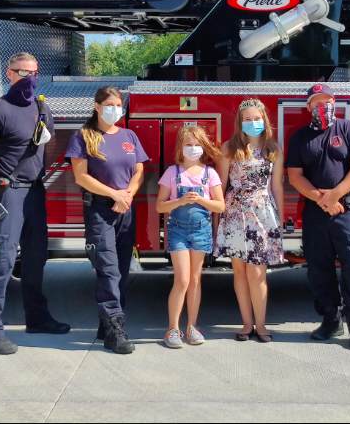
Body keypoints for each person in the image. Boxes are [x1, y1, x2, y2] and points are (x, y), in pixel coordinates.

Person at [0, 52, 71, 356]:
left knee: (35, 258)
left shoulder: (41, 108)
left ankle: (37, 319)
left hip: (35, 193)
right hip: (8, 195)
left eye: (33, 73)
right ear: (9, 73)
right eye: (22, 72)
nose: (29, 79)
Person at [286, 83, 350, 350]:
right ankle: (330, 320)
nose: (322, 106)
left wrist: (335, 195)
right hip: (315, 211)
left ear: (334, 102)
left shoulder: (349, 129)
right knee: (319, 268)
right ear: (308, 107)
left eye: (327, 100)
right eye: (316, 102)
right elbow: (294, 176)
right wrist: (321, 199)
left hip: (347, 210)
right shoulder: (300, 137)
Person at [65, 86, 148, 355]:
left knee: (122, 270)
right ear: (97, 107)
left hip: (125, 209)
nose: (115, 109)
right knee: (108, 269)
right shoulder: (84, 136)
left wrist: (127, 195)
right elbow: (81, 177)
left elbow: (139, 171)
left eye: (118, 105)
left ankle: (108, 323)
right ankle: (114, 330)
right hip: (100, 210)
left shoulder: (129, 135)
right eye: (110, 105)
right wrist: (114, 194)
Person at [215, 99, 284, 343]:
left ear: (264, 120)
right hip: (235, 214)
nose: (253, 123)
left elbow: (277, 186)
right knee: (240, 272)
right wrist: (216, 222)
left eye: (257, 118)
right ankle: (246, 323)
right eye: (247, 119)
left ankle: (261, 325)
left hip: (263, 214)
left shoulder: (273, 149)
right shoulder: (228, 148)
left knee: (257, 273)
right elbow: (220, 186)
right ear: (240, 122)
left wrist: (279, 221)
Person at [156, 126, 225, 349]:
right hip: (177, 231)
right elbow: (160, 206)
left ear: (203, 147)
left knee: (195, 279)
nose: (193, 148)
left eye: (197, 144)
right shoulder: (172, 172)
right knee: (182, 280)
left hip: (201, 231)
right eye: (188, 144)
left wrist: (201, 200)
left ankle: (192, 327)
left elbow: (220, 206)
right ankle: (172, 329)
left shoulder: (210, 173)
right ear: (180, 147)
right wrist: (180, 201)